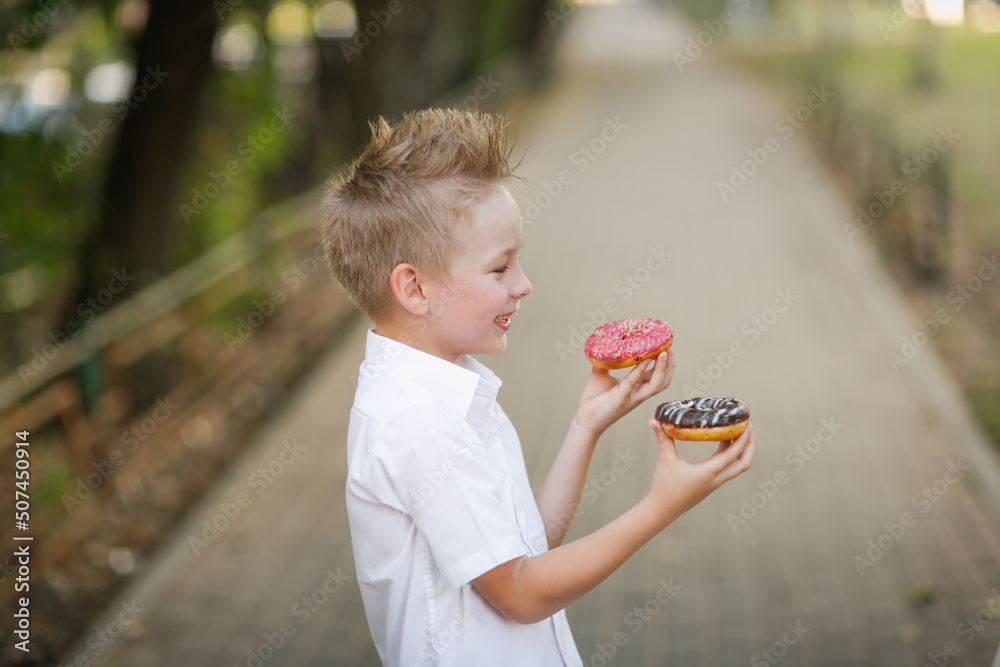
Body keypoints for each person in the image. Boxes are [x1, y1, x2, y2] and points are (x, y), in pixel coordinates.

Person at [319, 108, 755, 666]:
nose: (524, 285)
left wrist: (584, 427)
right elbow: (523, 594)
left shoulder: (451, 390)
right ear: (415, 288)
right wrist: (660, 507)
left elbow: (528, 545)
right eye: (500, 269)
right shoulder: (417, 421)